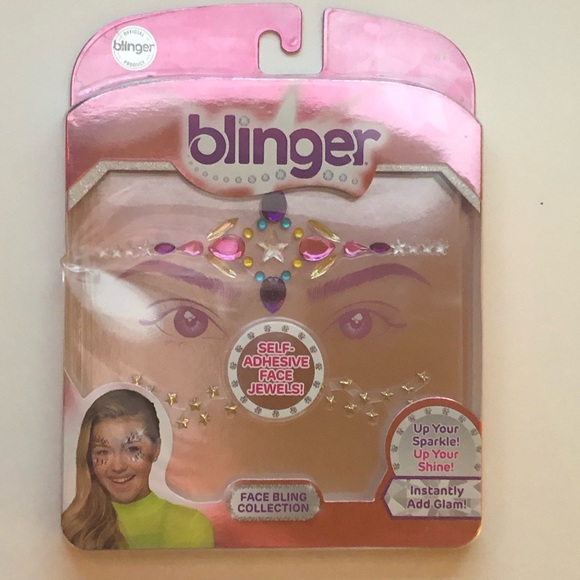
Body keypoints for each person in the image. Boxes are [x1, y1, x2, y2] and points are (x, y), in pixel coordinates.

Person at [62, 389, 214, 550]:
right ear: (88, 456)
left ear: (156, 449)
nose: (118, 466)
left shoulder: (191, 526)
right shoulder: (70, 527)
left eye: (132, 449)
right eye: (103, 452)